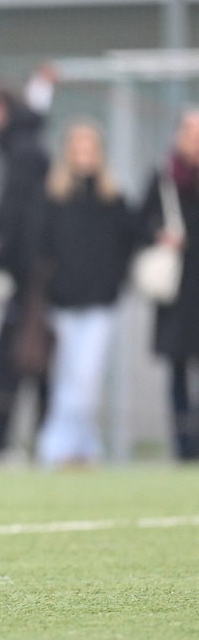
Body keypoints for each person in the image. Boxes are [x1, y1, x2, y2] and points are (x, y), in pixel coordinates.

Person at [35, 121, 134, 467]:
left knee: (86, 379)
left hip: (100, 304)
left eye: (90, 149)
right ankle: (63, 448)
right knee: (67, 377)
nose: (84, 156)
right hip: (62, 302)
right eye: (78, 148)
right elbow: (42, 247)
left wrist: (113, 283)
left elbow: (128, 245)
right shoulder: (55, 196)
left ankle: (76, 444)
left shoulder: (113, 198)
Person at [0, 76, 52, 459]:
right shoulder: (22, 146)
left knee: (18, 355)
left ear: (0, 108)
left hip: (31, 274)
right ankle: (34, 439)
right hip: (30, 269)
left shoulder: (21, 150)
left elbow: (14, 213)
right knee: (29, 354)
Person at [140, 110, 199, 461]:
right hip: (178, 288)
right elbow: (139, 222)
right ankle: (184, 446)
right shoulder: (164, 178)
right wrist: (160, 236)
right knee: (177, 368)